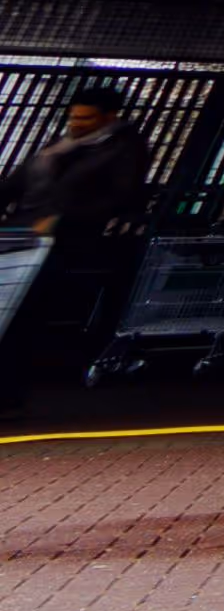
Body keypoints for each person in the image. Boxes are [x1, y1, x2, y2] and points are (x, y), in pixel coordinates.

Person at [0, 88, 154, 411]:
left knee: (22, 317)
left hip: (63, 242)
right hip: (21, 234)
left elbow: (121, 197)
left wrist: (62, 219)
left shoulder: (125, 149)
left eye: (86, 118)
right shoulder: (60, 146)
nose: (77, 123)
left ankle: (8, 394)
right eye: (73, 117)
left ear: (110, 118)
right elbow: (17, 182)